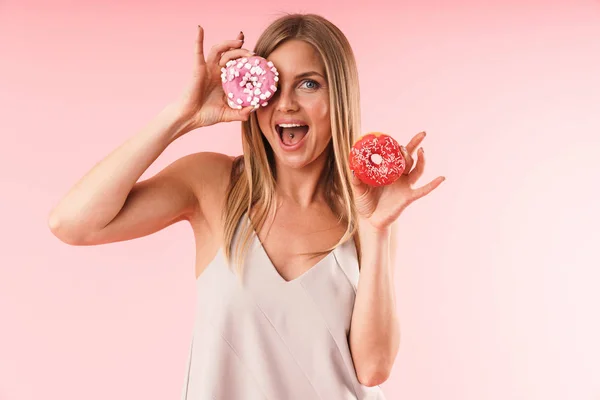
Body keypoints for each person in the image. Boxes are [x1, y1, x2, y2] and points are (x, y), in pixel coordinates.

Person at [48, 13, 445, 400]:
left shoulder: (367, 213)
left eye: (309, 84)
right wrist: (181, 115)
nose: (286, 104)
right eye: (274, 86)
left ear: (339, 96)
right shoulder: (210, 183)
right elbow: (72, 223)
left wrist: (375, 230)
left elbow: (373, 369)